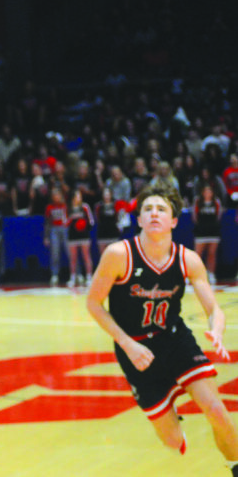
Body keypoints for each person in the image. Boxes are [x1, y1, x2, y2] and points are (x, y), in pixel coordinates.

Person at [87, 184, 238, 474]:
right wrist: (127, 344)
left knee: (216, 410)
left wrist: (217, 330)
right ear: (139, 220)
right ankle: (170, 410)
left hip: (175, 340)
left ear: (174, 221)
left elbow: (214, 309)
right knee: (172, 440)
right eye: (148, 209)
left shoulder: (187, 259)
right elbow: (93, 304)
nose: (154, 213)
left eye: (161, 209)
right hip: (135, 349)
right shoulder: (119, 254)